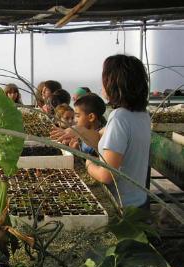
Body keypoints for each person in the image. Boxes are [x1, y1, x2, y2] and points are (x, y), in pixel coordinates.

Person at [51, 55, 150, 208]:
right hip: (139, 200)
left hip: (121, 205)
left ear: (114, 83)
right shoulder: (142, 115)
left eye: (104, 79)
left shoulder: (120, 117)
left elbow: (106, 175)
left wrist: (88, 162)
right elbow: (101, 140)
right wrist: (79, 131)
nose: (101, 84)